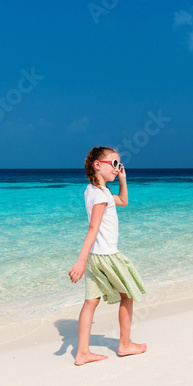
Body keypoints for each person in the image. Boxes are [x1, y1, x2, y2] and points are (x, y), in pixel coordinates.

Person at [68, 146, 148, 365]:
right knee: (128, 295)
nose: (117, 168)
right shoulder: (101, 195)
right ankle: (125, 344)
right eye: (114, 164)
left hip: (96, 256)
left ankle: (82, 352)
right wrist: (80, 261)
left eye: (119, 164)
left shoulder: (94, 191)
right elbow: (93, 227)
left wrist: (123, 179)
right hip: (106, 256)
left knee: (90, 302)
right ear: (97, 165)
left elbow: (122, 201)